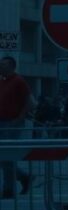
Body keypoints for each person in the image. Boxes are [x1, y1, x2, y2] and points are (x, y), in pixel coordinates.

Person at [0, 56, 33, 198]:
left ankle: (9, 189)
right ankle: (23, 177)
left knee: (7, 155)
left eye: (3, 64)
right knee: (4, 156)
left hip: (11, 123)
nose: (0, 66)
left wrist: (19, 118)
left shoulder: (19, 81)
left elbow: (30, 102)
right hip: (2, 122)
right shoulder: (2, 81)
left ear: (12, 66)